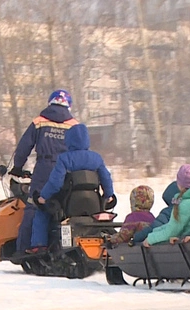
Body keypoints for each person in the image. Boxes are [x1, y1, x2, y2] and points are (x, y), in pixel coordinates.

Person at [9, 90, 78, 255]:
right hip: (68, 169)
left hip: (44, 168)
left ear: (50, 102)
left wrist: (18, 167)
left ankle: (24, 249)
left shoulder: (39, 122)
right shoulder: (74, 124)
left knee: (35, 205)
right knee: (66, 206)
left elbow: (24, 146)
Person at [28, 124, 114, 253]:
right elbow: (106, 178)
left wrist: (43, 197)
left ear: (68, 140)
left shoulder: (64, 158)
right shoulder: (96, 158)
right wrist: (108, 195)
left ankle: (39, 246)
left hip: (69, 205)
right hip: (94, 204)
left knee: (41, 213)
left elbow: (55, 183)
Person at [142, 164, 190, 247]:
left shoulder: (185, 205)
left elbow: (171, 232)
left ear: (179, 183)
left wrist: (150, 239)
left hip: (184, 248)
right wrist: (156, 231)